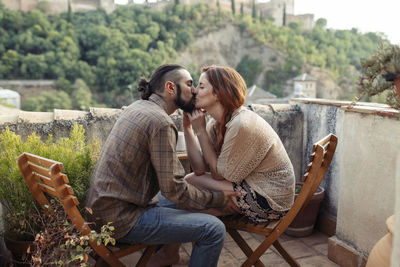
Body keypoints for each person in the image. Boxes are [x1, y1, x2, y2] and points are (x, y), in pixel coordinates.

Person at [86, 64, 239, 267]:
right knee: (213, 229)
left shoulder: (137, 108)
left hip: (105, 211)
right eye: (189, 84)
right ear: (170, 88)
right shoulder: (161, 123)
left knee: (183, 196)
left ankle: (168, 257)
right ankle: (168, 255)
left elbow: (172, 188)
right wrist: (218, 199)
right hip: (122, 221)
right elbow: (174, 189)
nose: (194, 91)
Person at [183, 65, 295, 223]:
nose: (194, 91)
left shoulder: (240, 123)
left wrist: (200, 131)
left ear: (219, 93)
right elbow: (200, 169)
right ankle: (206, 228)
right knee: (191, 199)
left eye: (201, 86)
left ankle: (201, 231)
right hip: (247, 186)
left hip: (272, 199)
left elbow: (218, 175)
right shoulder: (215, 124)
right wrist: (187, 128)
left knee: (190, 184)